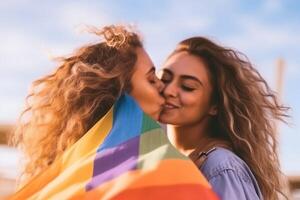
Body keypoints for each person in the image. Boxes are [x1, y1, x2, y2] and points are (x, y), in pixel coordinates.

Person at [10, 26, 218, 199]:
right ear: (120, 93)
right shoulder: (159, 167)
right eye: (152, 79)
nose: (164, 89)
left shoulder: (68, 171)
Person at [159, 37, 289, 200]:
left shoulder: (220, 167)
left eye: (187, 87)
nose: (169, 90)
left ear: (214, 105)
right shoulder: (169, 163)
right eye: (164, 79)